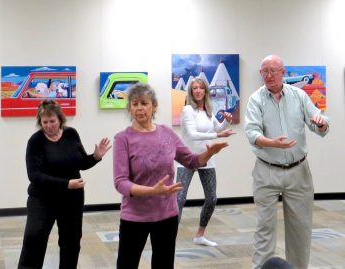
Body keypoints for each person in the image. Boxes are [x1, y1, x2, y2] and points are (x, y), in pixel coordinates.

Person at [113, 83, 228, 269]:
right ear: (129, 108)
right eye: (135, 104)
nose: (139, 108)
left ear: (154, 106)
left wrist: (209, 153)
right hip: (135, 216)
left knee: (164, 264)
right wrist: (152, 191)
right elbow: (120, 183)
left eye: (144, 103)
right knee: (127, 264)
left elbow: (190, 161)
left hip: (167, 214)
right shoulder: (123, 138)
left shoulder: (166, 132)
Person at [244, 55, 329, 269]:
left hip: (299, 171)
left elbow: (319, 123)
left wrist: (320, 123)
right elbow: (252, 132)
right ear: (261, 74)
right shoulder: (256, 99)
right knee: (265, 229)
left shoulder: (299, 96)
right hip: (267, 171)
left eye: (274, 70)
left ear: (283, 73)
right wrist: (270, 143)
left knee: (300, 228)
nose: (269, 75)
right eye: (265, 71)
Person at [18, 100, 111, 269]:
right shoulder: (36, 141)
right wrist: (66, 184)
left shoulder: (71, 134)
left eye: (52, 121)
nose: (48, 125)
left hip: (72, 199)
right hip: (42, 199)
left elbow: (81, 163)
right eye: (44, 122)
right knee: (34, 240)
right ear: (40, 121)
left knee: (71, 241)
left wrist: (96, 157)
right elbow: (34, 175)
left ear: (60, 119)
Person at [176, 77, 236, 247]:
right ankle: (169, 237)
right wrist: (217, 136)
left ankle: (200, 235)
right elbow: (193, 134)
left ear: (205, 91)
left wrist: (227, 121)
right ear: (191, 91)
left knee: (211, 198)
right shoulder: (188, 110)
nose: (198, 91)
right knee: (178, 200)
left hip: (207, 158)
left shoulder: (209, 111)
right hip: (187, 158)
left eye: (201, 88)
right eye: (194, 88)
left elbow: (217, 129)